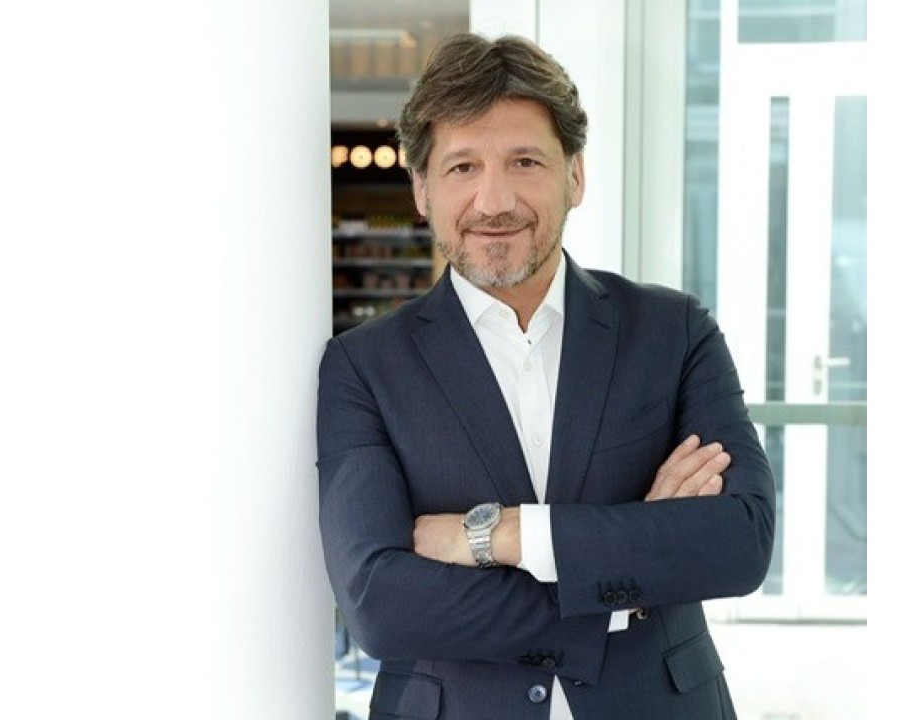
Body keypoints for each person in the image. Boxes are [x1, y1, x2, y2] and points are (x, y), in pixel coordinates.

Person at [317, 32, 775, 720]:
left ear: (575, 175)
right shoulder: (363, 365)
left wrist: (497, 536)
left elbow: (739, 541)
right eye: (462, 167)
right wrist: (628, 575)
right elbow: (379, 604)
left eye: (525, 161)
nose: (493, 200)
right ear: (421, 190)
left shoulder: (674, 331)